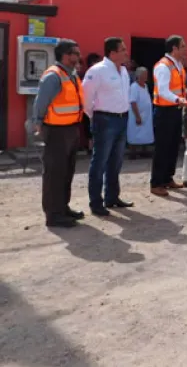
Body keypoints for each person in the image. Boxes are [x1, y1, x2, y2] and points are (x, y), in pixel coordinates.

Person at [32, 39, 85, 228]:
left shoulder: (70, 75)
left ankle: (63, 207)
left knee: (66, 171)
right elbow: (41, 102)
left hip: (70, 128)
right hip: (56, 131)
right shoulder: (53, 76)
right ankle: (53, 215)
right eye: (76, 54)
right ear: (66, 55)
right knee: (54, 173)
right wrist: (38, 122)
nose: (79, 57)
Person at [82, 37, 133, 216]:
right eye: (123, 50)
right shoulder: (97, 71)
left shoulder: (124, 71)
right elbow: (86, 98)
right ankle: (96, 202)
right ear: (112, 53)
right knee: (100, 161)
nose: (126, 53)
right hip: (104, 120)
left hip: (122, 119)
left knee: (116, 161)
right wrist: (94, 116)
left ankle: (112, 197)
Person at [150, 35, 187, 197]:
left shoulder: (178, 65)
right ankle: (156, 182)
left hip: (176, 109)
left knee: (173, 145)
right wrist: (178, 99)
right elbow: (163, 90)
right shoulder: (163, 66)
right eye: (183, 46)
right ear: (174, 48)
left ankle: (167, 178)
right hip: (164, 110)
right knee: (162, 147)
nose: (185, 49)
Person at [127, 67, 154, 158]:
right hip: (137, 114)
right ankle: (132, 153)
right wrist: (137, 116)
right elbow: (133, 102)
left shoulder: (145, 86)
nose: (146, 77)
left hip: (146, 115)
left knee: (145, 133)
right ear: (138, 76)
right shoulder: (134, 86)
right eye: (144, 75)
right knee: (134, 133)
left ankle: (144, 151)